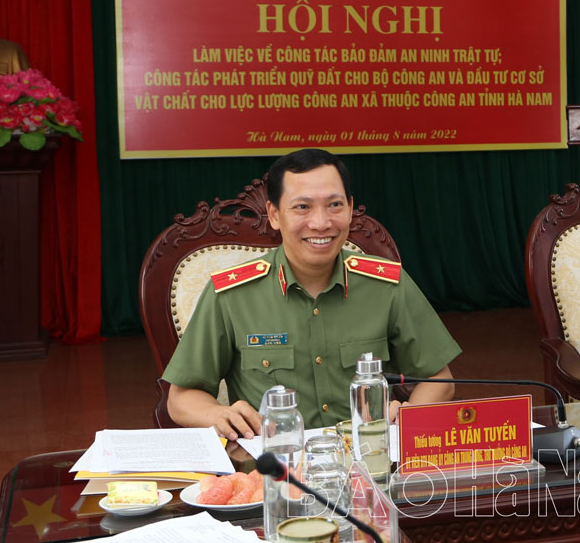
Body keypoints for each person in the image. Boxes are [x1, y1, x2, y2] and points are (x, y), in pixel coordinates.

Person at [162, 148, 460, 437]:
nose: (321, 223)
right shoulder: (231, 294)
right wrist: (218, 415)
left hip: (368, 458)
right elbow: (181, 397)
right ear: (274, 215)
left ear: (350, 208)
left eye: (335, 205)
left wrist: (407, 417)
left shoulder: (387, 285)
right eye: (302, 207)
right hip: (277, 461)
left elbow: (438, 378)